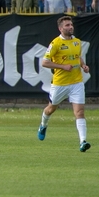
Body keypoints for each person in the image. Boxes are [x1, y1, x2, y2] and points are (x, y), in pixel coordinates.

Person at [38, 16, 91, 152]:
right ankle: (43, 125)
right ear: (60, 28)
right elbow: (44, 62)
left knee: (79, 112)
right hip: (60, 83)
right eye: (67, 25)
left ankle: (83, 141)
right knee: (51, 109)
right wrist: (62, 67)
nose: (70, 27)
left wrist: (83, 65)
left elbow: (77, 57)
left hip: (76, 83)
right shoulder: (55, 43)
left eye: (71, 25)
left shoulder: (77, 42)